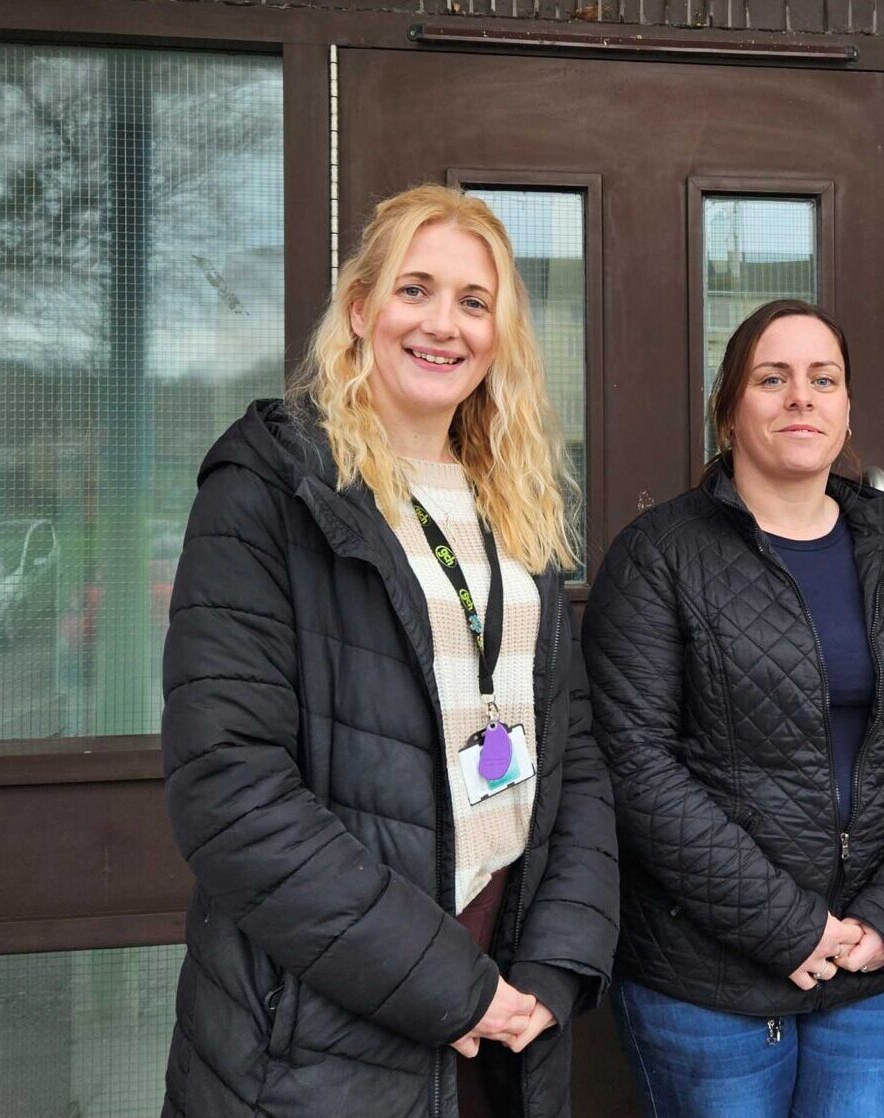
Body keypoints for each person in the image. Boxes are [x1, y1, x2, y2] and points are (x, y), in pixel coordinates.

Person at [160, 184, 617, 1118]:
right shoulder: (269, 490)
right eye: (416, 290)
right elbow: (229, 788)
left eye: (474, 301)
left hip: (506, 1012)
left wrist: (556, 966)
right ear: (361, 309)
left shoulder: (514, 510)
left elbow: (573, 757)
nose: (443, 324)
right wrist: (449, 985)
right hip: (322, 1034)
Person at [585, 299, 884, 1118]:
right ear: (728, 412)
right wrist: (788, 925)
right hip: (709, 977)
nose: (801, 397)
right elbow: (635, 765)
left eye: (823, 379)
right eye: (772, 379)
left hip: (864, 969)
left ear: (846, 409)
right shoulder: (658, 556)